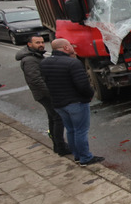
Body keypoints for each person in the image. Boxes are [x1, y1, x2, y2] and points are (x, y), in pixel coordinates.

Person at [40, 38, 104, 167]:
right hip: (75, 102)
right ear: (65, 48)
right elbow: (83, 85)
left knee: (70, 130)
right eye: (70, 45)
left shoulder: (45, 63)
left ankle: (77, 156)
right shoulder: (72, 63)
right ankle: (85, 157)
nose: (72, 47)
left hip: (58, 103)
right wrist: (89, 95)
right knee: (81, 131)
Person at [16, 36, 69, 156]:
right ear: (29, 44)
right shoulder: (29, 60)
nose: (41, 44)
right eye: (37, 42)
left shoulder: (35, 56)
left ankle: (57, 145)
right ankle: (61, 146)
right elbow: (36, 80)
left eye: (41, 42)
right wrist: (52, 94)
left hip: (44, 93)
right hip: (45, 94)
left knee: (53, 118)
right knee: (58, 118)